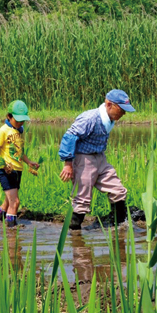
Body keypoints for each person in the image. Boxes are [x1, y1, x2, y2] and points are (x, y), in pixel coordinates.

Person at [58, 89, 135, 230]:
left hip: (100, 158)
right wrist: (68, 163)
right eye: (121, 110)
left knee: (118, 190)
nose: (123, 114)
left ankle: (120, 226)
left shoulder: (109, 119)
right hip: (84, 160)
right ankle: (74, 234)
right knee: (82, 198)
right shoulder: (90, 118)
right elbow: (69, 136)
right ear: (109, 104)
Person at [0, 100, 40, 228]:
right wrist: (3, 163)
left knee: (8, 201)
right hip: (5, 171)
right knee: (15, 202)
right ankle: (11, 231)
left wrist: (29, 162)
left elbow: (19, 151)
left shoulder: (20, 131)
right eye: (17, 120)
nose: (20, 123)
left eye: (22, 120)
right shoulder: (3, 131)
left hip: (18, 170)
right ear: (9, 116)